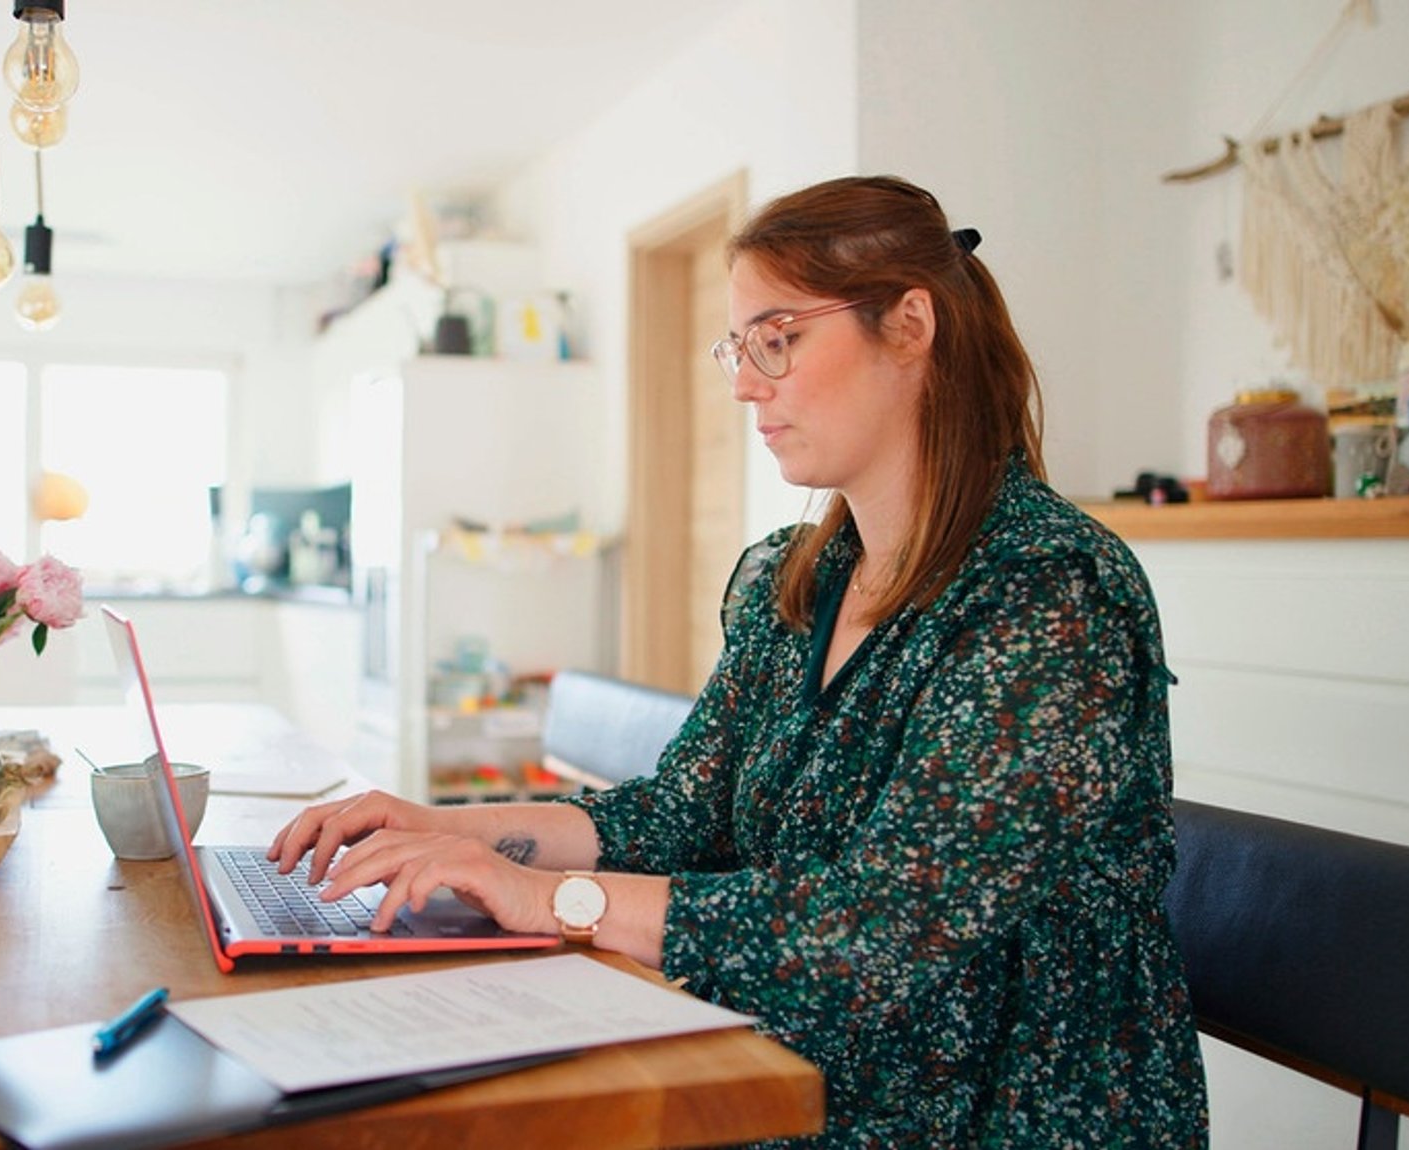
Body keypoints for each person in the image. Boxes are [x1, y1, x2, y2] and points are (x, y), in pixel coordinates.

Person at [270, 175, 1208, 1146]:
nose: (742, 382)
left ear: (908, 325)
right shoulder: (789, 581)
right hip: (791, 1075)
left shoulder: (1049, 594)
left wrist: (548, 899)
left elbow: (879, 928)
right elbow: (678, 814)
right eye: (737, 345)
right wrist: (449, 831)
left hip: (1000, 1114)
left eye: (778, 338)